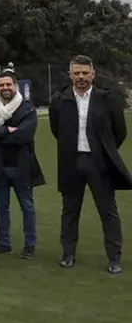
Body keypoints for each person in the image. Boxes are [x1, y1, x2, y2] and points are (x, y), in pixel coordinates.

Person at [50, 55, 130, 275]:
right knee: (70, 211)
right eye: (77, 73)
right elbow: (57, 130)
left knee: (108, 211)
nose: (81, 77)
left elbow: (119, 132)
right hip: (71, 161)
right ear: (70, 75)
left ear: (93, 74)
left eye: (85, 73)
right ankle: (68, 254)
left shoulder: (107, 99)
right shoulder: (60, 100)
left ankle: (114, 258)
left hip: (99, 163)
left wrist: (105, 151)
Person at [0, 70, 45, 260]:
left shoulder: (27, 108)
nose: (5, 88)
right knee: (2, 207)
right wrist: (7, 130)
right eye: (2, 85)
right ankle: (4, 243)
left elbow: (24, 135)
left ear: (15, 86)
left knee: (27, 206)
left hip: (21, 164)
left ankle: (30, 245)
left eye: (9, 84)